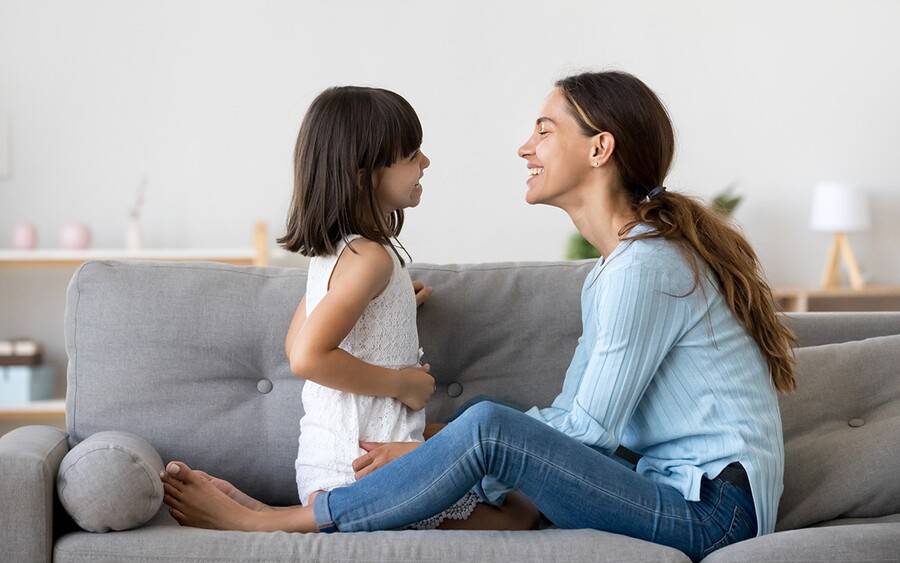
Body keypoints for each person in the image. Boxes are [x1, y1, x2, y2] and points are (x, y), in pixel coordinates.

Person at [161, 71, 796, 562]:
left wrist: (436, 450)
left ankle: (274, 521)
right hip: (673, 488)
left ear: (600, 148)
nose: (525, 147)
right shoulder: (616, 269)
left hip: (713, 514)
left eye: (545, 130)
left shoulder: (644, 268)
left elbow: (586, 433)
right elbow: (576, 418)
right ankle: (305, 506)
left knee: (487, 426)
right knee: (487, 440)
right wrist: (437, 446)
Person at [161, 85, 539, 532]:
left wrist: (392, 307)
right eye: (412, 153)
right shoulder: (371, 260)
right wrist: (404, 384)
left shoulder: (338, 256)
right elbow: (307, 357)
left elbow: (295, 342)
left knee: (506, 481)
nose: (426, 162)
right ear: (363, 175)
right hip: (366, 470)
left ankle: (268, 511)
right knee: (519, 513)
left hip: (336, 462)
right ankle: (268, 522)